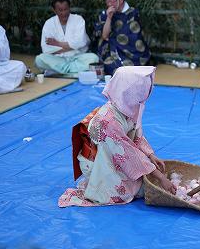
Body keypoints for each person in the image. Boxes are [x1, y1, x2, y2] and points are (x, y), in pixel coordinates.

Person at [58, 66, 176, 207]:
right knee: (140, 188)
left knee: (145, 174)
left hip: (112, 154)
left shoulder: (125, 105)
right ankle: (99, 184)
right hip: (98, 163)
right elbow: (128, 154)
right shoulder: (108, 121)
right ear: (131, 93)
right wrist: (160, 177)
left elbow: (136, 133)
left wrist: (151, 155)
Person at [94, 0, 151, 75]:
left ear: (121, 0)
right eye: (108, 1)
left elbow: (136, 38)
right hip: (113, 52)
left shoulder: (133, 13)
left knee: (135, 69)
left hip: (133, 54)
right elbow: (104, 36)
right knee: (112, 67)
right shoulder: (105, 14)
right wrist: (109, 18)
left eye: (113, 1)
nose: (110, 4)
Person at [35, 0, 99, 76]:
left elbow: (81, 42)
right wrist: (72, 47)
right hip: (58, 59)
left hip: (77, 57)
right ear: (54, 10)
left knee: (94, 58)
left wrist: (57, 43)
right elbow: (47, 49)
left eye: (66, 9)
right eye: (60, 10)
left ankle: (58, 71)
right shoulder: (49, 23)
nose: (63, 13)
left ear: (69, 8)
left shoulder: (78, 20)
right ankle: (72, 72)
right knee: (39, 59)